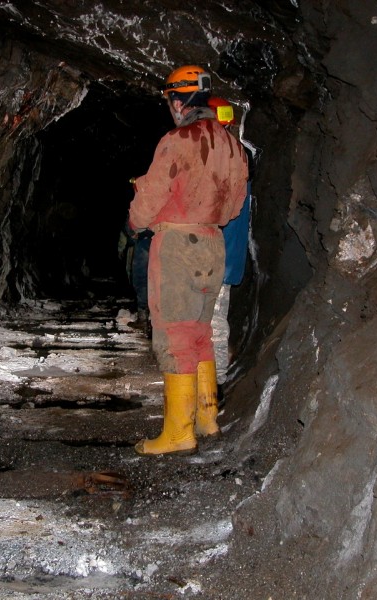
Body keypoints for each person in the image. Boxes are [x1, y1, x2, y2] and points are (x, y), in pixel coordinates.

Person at [127, 65, 248, 456]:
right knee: (199, 333)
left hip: (177, 245)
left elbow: (148, 202)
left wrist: (135, 220)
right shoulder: (232, 145)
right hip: (214, 243)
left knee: (175, 335)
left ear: (177, 101)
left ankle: (178, 434)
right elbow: (234, 206)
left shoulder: (175, 141)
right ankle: (207, 419)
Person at [207, 97, 255, 385]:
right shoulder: (237, 154)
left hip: (217, 256)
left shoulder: (224, 159)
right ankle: (211, 380)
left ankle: (215, 384)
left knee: (212, 323)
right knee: (211, 321)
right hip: (223, 254)